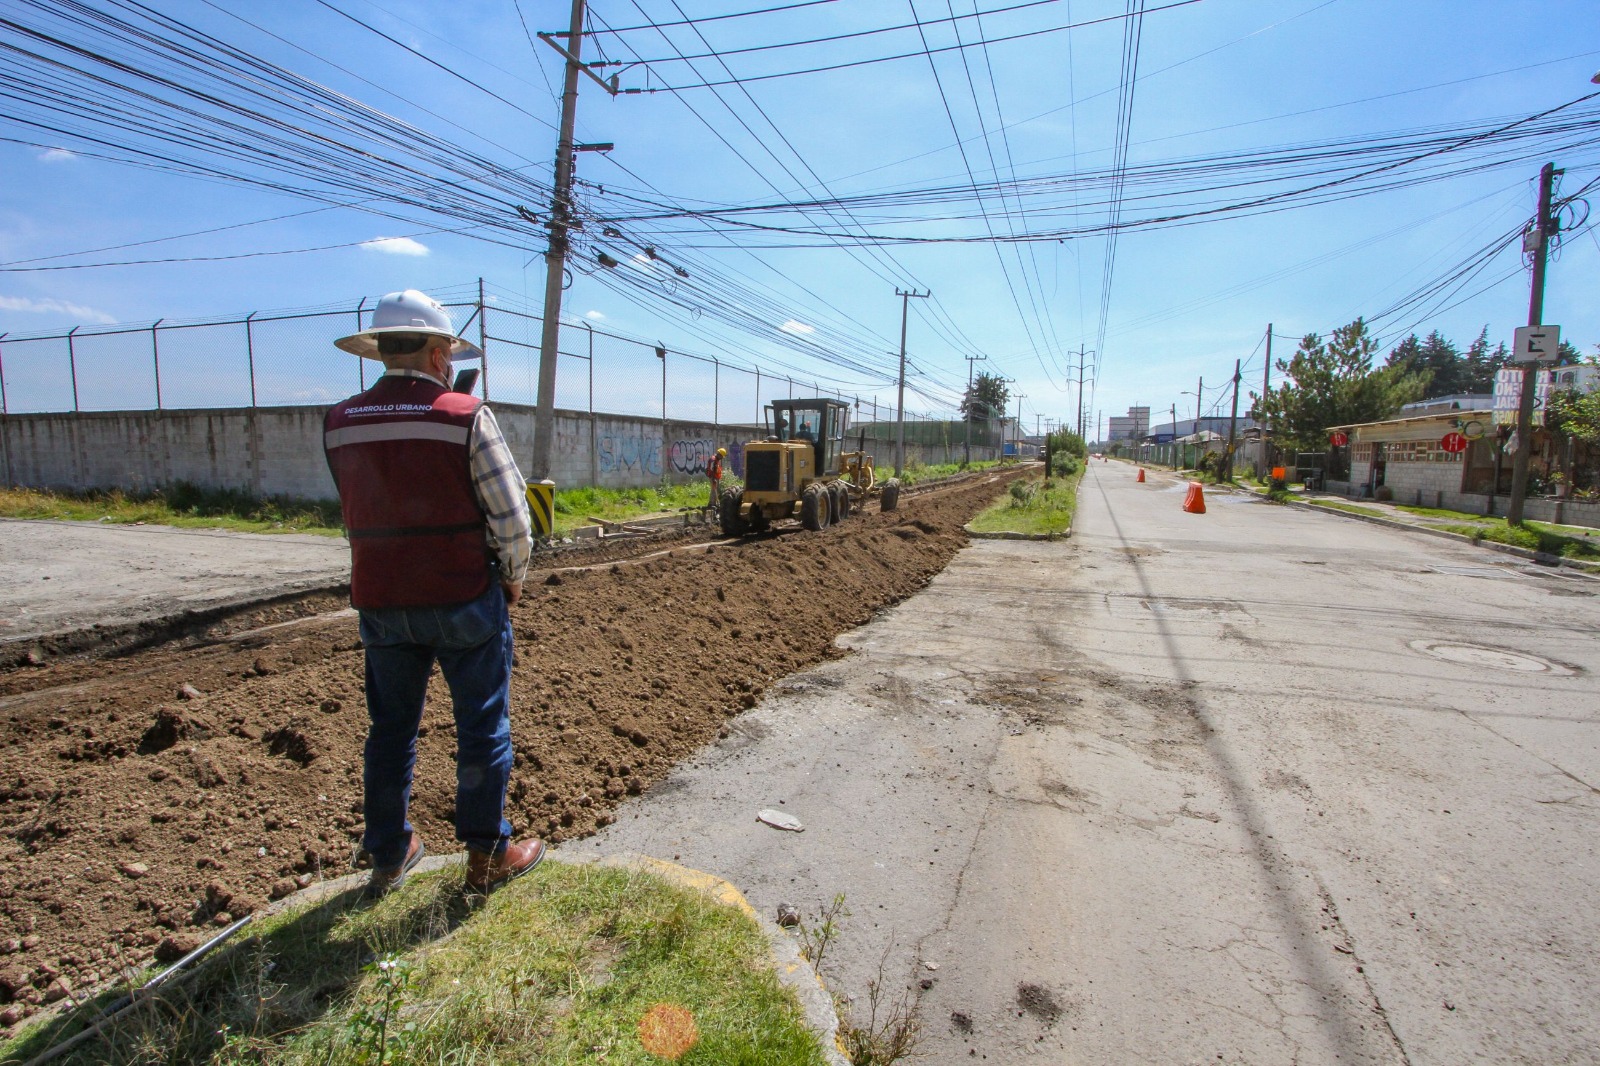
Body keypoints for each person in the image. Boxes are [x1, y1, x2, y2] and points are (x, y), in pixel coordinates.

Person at [324, 289, 545, 896]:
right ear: (437, 350)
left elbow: (356, 507)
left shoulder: (339, 422)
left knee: (390, 729)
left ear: (380, 351)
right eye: (446, 347)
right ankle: (486, 856)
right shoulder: (463, 414)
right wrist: (511, 579)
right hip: (461, 595)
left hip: (380, 600)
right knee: (481, 726)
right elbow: (512, 518)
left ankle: (390, 855)